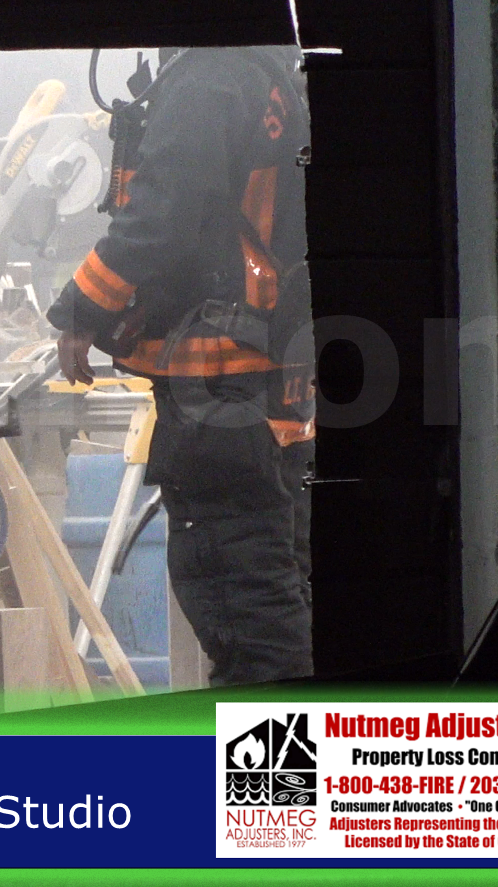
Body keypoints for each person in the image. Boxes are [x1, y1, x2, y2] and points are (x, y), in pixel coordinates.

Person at [47, 45, 315, 686]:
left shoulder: (207, 77)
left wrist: (82, 308)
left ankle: (274, 757)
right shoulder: (271, 77)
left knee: (251, 631)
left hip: (220, 400)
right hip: (272, 393)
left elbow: (163, 210)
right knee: (283, 603)